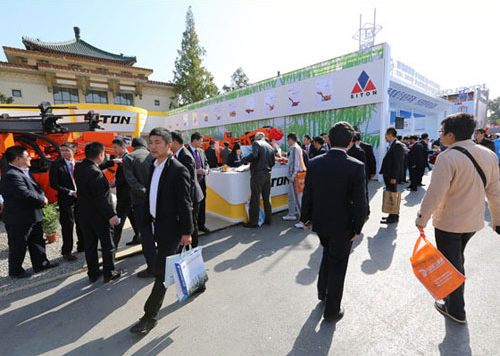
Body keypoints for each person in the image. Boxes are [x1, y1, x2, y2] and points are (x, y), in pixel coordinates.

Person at [416, 113, 500, 324]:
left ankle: (456, 309)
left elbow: (435, 193)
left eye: (442, 132)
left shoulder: (447, 157)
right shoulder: (489, 155)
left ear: (451, 135)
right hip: (472, 222)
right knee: (456, 259)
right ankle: (452, 299)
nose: (441, 136)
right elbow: (495, 191)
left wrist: (421, 218)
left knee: (452, 265)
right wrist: (497, 219)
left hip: (449, 223)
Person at [129, 127, 194, 335]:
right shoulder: (153, 166)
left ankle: (149, 316)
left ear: (169, 145)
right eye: (151, 142)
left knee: (162, 272)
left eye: (158, 142)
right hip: (156, 225)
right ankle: (198, 283)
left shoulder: (178, 169)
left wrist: (187, 231)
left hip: (173, 229)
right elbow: (151, 195)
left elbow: (186, 204)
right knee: (169, 266)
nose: (153, 146)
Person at [300, 122, 367, 321]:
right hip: (343, 226)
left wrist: (305, 218)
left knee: (328, 254)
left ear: (329, 138)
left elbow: (307, 194)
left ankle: (323, 293)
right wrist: (358, 227)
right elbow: (360, 202)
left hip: (321, 223)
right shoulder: (356, 166)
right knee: (338, 263)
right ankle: (332, 310)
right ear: (349, 142)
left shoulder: (315, 162)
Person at [1, 146, 59, 279]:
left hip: (32, 214)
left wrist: (41, 195)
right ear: (18, 159)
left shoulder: (23, 171)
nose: (30, 158)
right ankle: (16, 271)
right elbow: (23, 193)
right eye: (27, 156)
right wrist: (42, 199)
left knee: (37, 241)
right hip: (19, 217)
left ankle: (41, 264)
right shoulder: (11, 174)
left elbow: (35, 188)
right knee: (18, 245)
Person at [74, 142, 121, 283]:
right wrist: (111, 215)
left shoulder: (80, 167)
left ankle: (93, 273)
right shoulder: (96, 175)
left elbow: (95, 167)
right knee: (108, 245)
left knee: (90, 245)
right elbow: (100, 197)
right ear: (100, 155)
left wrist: (112, 162)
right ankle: (109, 272)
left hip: (83, 214)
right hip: (99, 216)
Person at [122, 137, 156, 278]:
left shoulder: (129, 158)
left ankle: (152, 267)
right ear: (145, 146)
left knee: (146, 234)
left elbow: (131, 181)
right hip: (156, 199)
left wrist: (144, 192)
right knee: (161, 230)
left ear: (133, 146)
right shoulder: (152, 156)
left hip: (140, 202)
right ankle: (164, 261)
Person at [49, 142, 84, 261]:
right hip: (66, 198)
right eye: (62, 150)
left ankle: (82, 245)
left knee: (82, 222)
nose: (63, 152)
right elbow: (54, 184)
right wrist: (70, 192)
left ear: (73, 151)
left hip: (80, 198)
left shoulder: (79, 164)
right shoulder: (56, 165)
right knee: (67, 225)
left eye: (66, 150)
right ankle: (67, 251)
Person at [171, 130, 204, 248]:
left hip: (192, 197)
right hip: (189, 197)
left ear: (175, 142)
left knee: (192, 225)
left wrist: (188, 202)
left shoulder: (185, 156)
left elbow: (190, 181)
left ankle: (194, 251)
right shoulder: (180, 154)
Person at [241, 132, 275, 228]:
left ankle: (253, 222)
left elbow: (254, 156)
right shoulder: (270, 146)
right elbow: (272, 162)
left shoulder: (256, 143)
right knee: (266, 198)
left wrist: (244, 160)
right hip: (268, 174)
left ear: (256, 138)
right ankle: (269, 219)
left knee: (255, 198)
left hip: (258, 174)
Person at [110, 138, 139, 249]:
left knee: (119, 219)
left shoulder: (126, 158)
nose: (114, 150)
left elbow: (126, 177)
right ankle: (139, 236)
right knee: (133, 217)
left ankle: (113, 244)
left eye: (115, 147)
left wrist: (115, 183)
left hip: (125, 195)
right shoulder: (123, 158)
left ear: (122, 147)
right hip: (128, 195)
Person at [380, 127, 405, 224]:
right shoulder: (392, 145)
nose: (385, 138)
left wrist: (394, 177)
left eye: (386, 136)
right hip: (389, 175)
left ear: (390, 135)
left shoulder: (397, 145)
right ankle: (392, 215)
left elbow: (397, 163)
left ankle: (393, 217)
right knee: (391, 195)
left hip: (391, 177)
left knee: (392, 196)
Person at [188, 132, 210, 233]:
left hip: (201, 182)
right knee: (194, 206)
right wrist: (196, 171)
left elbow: (206, 163)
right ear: (195, 140)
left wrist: (206, 170)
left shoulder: (201, 151)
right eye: (201, 141)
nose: (202, 143)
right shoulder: (186, 152)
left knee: (202, 204)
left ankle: (202, 224)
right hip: (192, 183)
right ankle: (194, 227)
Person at [282, 133, 306, 224]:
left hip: (296, 176)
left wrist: (292, 176)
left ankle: (303, 220)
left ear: (291, 139)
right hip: (295, 175)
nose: (287, 142)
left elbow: (296, 164)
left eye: (287, 140)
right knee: (292, 197)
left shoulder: (295, 148)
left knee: (298, 199)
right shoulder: (295, 148)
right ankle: (291, 214)